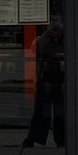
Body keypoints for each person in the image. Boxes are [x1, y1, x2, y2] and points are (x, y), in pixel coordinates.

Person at [23, 19, 66, 147]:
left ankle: (38, 138)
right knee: (49, 112)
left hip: (51, 80)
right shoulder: (45, 41)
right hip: (52, 80)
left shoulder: (42, 41)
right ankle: (59, 139)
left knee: (50, 112)